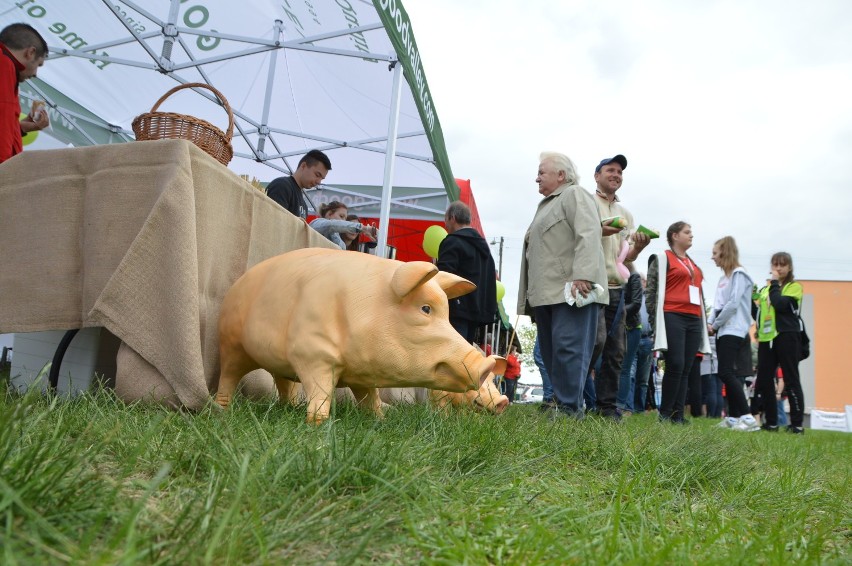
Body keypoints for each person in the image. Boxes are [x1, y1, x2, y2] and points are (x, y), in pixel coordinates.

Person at [517, 152, 607, 419]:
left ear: (560, 175)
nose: (537, 177)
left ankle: (569, 412)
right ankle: (562, 408)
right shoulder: (547, 204)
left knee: (570, 351)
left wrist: (584, 275)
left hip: (571, 291)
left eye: (541, 172)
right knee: (552, 354)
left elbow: (589, 233)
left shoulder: (575, 194)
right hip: (546, 295)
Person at [589, 154, 651, 420]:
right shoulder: (587, 203)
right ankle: (570, 398)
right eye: (610, 170)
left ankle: (606, 407)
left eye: (620, 172)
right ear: (597, 176)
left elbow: (628, 256)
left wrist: (639, 245)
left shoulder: (626, 214)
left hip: (617, 286)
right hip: (591, 284)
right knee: (594, 344)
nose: (616, 175)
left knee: (616, 351)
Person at [646, 221, 711, 424]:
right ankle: (665, 413)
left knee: (686, 367)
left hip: (694, 318)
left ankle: (678, 415)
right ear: (675, 236)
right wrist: (654, 320)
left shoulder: (693, 264)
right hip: (672, 315)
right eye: (687, 232)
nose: (691, 235)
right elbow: (652, 290)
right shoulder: (663, 258)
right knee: (675, 363)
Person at [707, 236, 759, 431]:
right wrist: (711, 323)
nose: (713, 257)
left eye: (715, 253)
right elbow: (718, 305)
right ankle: (733, 417)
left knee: (726, 372)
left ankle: (748, 417)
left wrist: (716, 325)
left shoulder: (740, 275)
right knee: (730, 374)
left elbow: (733, 304)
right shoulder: (723, 279)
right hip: (723, 331)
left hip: (734, 330)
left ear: (725, 251)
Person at [753, 252, 805, 433]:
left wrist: (774, 284)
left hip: (787, 336)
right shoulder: (765, 290)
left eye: (782, 265)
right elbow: (758, 314)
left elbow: (780, 304)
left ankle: (797, 424)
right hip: (768, 339)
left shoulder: (794, 287)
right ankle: (771, 422)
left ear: (789, 267)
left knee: (791, 379)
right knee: (765, 380)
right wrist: (754, 299)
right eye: (775, 264)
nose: (778, 268)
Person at [436, 201, 498, 343]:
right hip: (477, 312)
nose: (445, 225)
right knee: (463, 356)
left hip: (455, 309)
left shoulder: (452, 242)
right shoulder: (485, 250)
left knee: (451, 353)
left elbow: (444, 276)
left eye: (445, 220)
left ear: (452, 218)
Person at [1, 23, 49, 163]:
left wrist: (19, 128)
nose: (35, 74)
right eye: (38, 65)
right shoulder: (4, 65)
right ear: (30, 52)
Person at [265, 149, 332, 218]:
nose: (319, 182)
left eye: (321, 178)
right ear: (303, 166)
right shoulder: (282, 186)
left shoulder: (304, 205)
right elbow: (273, 222)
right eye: (317, 175)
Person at [616, 271, 643, 414]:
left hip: (631, 327)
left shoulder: (633, 277)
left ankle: (621, 406)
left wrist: (617, 312)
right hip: (615, 326)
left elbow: (636, 303)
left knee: (625, 368)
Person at [309, 201, 377, 250]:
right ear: (329, 214)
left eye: (345, 218)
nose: (343, 220)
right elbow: (332, 225)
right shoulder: (316, 223)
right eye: (341, 216)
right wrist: (362, 228)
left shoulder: (338, 237)